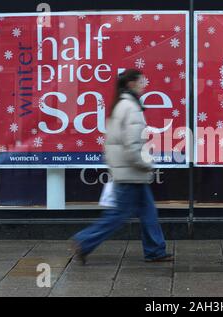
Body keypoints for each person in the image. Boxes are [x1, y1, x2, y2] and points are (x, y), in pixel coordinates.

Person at [72, 69, 173, 264]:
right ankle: (84, 241)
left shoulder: (120, 105)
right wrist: (146, 163)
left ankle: (155, 250)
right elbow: (132, 144)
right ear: (131, 84)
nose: (144, 84)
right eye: (141, 81)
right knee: (118, 215)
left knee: (148, 211)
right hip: (131, 172)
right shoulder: (131, 107)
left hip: (128, 171)